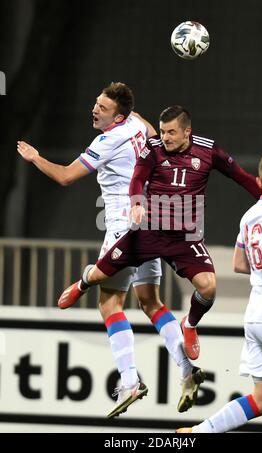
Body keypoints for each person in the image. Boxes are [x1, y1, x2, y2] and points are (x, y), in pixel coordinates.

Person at [17, 84, 202, 418]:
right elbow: (146, 126)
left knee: (109, 303)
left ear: (117, 115)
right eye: (95, 103)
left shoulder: (106, 141)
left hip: (123, 225)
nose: (94, 109)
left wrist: (36, 158)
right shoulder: (134, 125)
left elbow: (64, 177)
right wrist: (128, 111)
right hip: (154, 220)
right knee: (150, 301)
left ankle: (130, 380)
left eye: (101, 107)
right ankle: (187, 370)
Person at [58, 104, 262, 363]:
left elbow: (241, 176)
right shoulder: (153, 148)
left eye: (171, 133)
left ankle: (189, 324)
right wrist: (136, 202)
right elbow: (137, 178)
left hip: (185, 239)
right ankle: (82, 283)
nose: (164, 137)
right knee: (99, 274)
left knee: (208, 287)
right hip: (148, 233)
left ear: (187, 131)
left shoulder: (208, 150)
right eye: (163, 131)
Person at [177, 151, 262, 433]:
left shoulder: (249, 216)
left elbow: (239, 264)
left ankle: (199, 432)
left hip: (256, 319)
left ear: (259, 181)